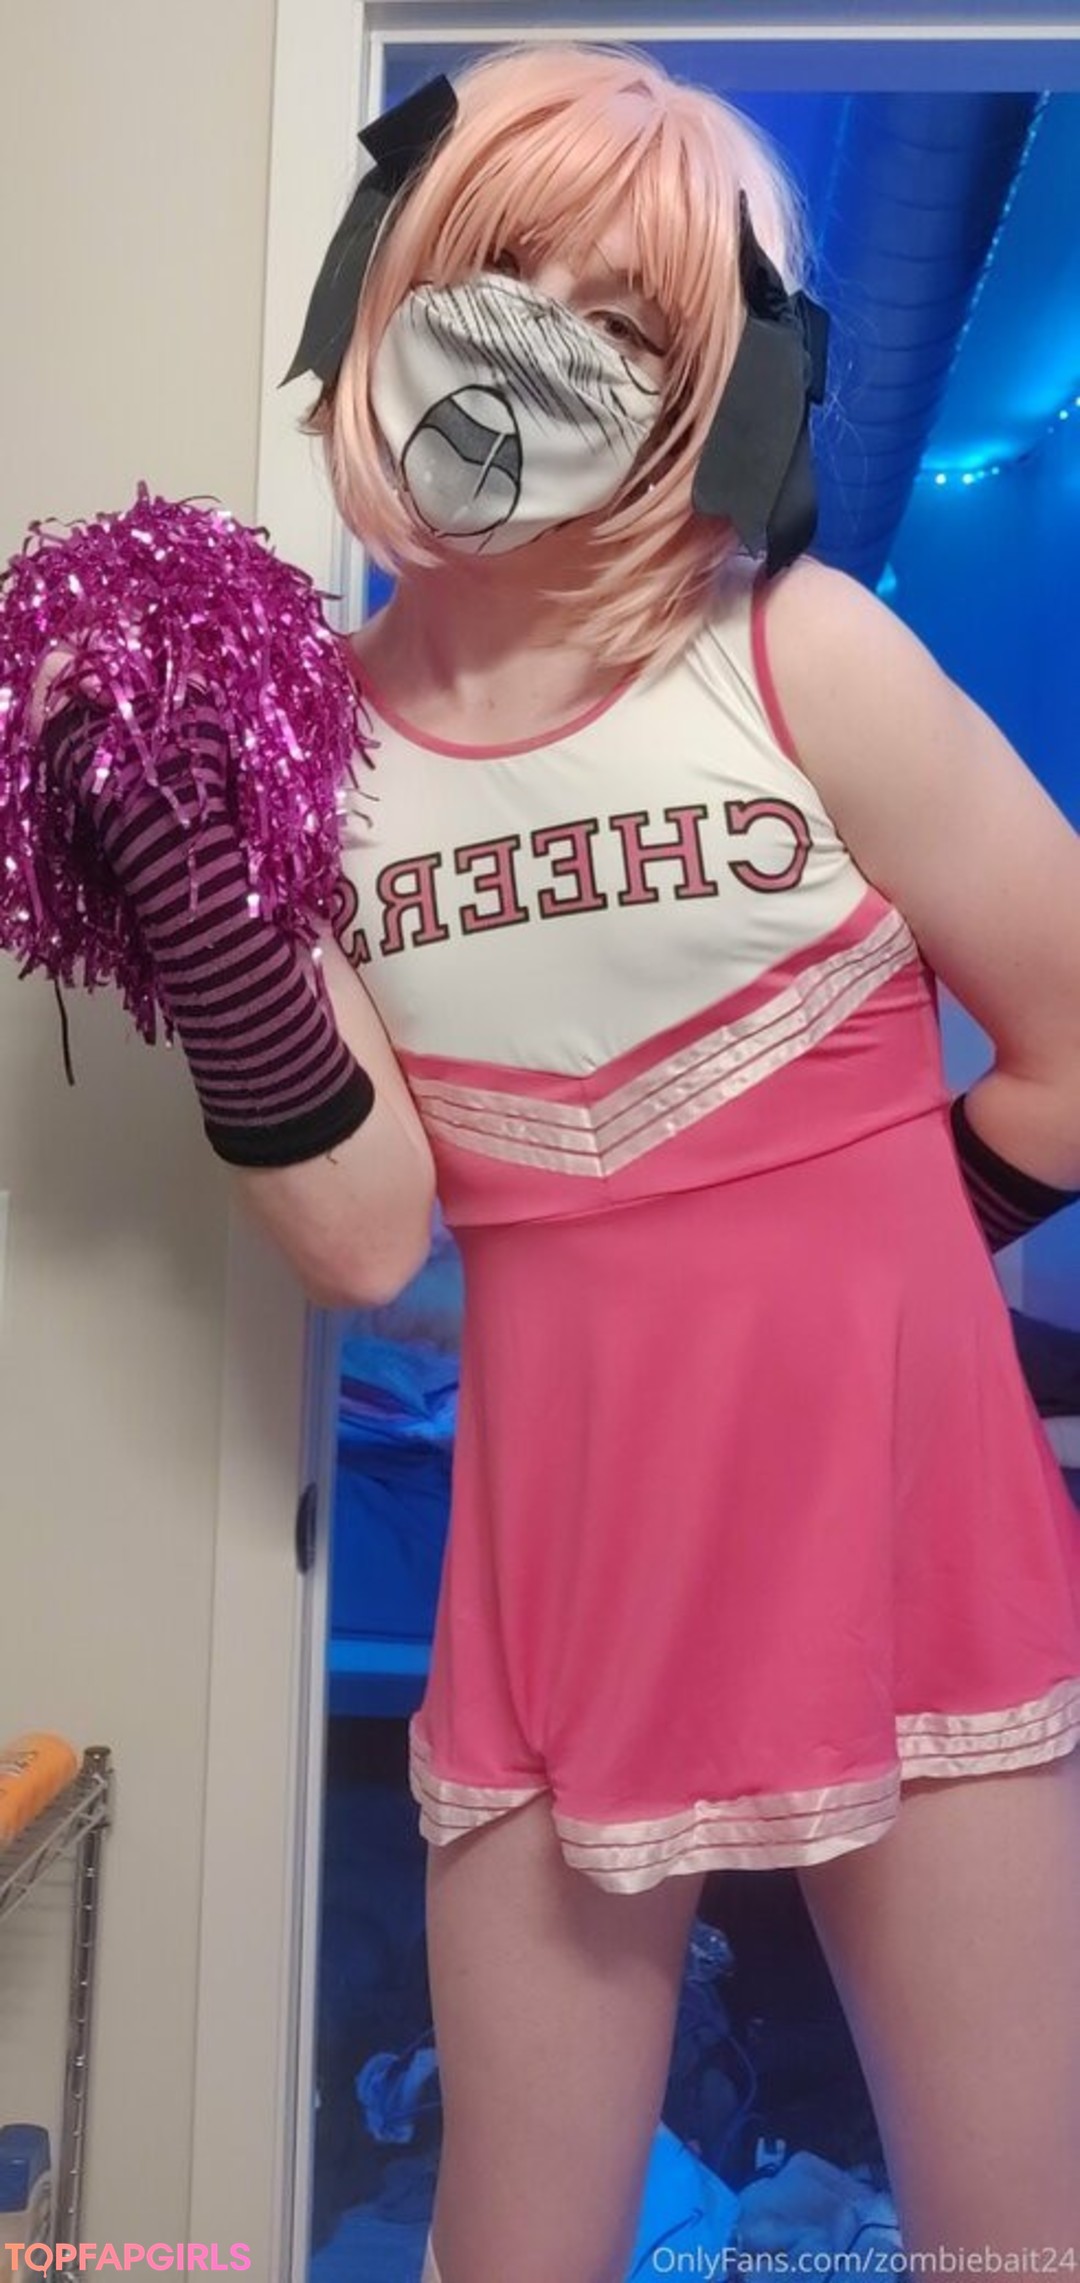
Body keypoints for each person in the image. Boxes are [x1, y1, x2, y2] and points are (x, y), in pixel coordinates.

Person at [23, 38, 1080, 2283]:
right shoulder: (304, 754)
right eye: (501, 272)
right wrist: (195, 883)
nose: (541, 349)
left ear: (717, 391)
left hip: (918, 1550)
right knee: (515, 2249)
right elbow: (362, 1235)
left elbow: (1079, 1046)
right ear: (386, 280)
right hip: (565, 1582)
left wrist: (892, 1264)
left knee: (1020, 2239)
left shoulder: (801, 655)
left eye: (626, 320)